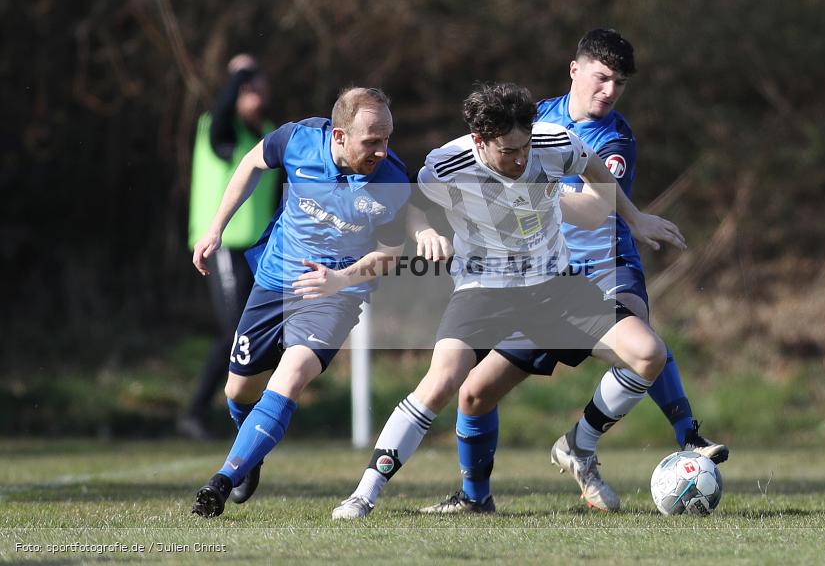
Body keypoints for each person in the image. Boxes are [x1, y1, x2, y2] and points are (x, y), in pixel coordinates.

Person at [332, 82, 687, 519]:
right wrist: (423, 231)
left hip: (555, 286)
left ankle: (580, 442)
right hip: (484, 292)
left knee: (649, 353)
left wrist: (634, 218)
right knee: (445, 383)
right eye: (508, 151)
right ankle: (364, 494)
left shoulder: (552, 142)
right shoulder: (447, 164)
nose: (520, 159)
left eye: (525, 146)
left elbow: (593, 165)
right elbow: (414, 206)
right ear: (480, 141)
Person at [420, 28, 729, 516]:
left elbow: (593, 209)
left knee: (642, 343)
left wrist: (531, 196)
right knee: (475, 392)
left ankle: (640, 439)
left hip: (605, 264)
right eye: (602, 78)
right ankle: (474, 500)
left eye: (620, 84)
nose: (609, 91)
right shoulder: (531, 118)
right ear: (575, 70)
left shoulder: (613, 138)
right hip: (539, 275)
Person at [190, 87, 411, 518]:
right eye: (371, 141)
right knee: (238, 388)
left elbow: (391, 254)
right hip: (273, 280)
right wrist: (216, 227)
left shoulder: (391, 181)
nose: (382, 151)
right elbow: (252, 162)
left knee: (291, 374)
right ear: (340, 136)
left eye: (387, 139)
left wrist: (341, 280)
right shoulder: (298, 140)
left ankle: (223, 479)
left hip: (336, 295)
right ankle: (251, 452)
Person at [180, 54, 280, 440]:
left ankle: (241, 408)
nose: (255, 96)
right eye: (246, 90)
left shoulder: (267, 133)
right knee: (235, 330)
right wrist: (239, 73)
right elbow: (223, 110)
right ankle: (197, 411)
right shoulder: (219, 129)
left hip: (256, 250)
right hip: (222, 245)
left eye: (259, 89)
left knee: (253, 329)